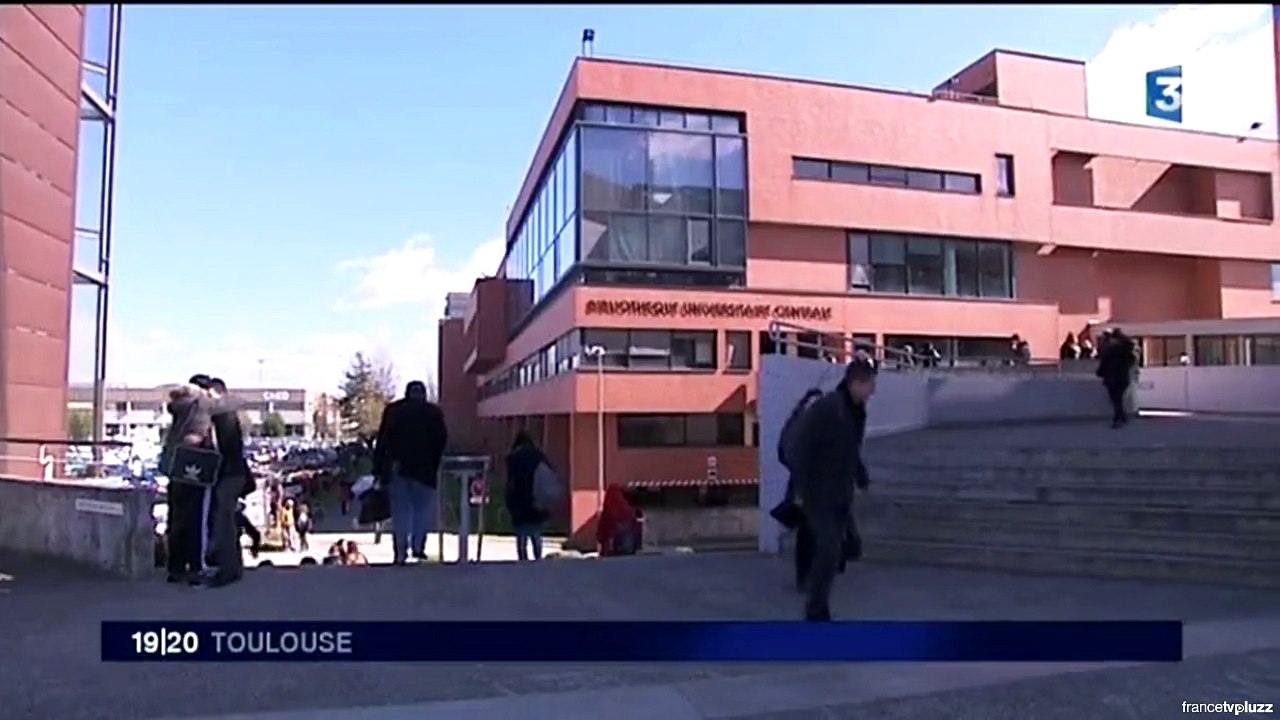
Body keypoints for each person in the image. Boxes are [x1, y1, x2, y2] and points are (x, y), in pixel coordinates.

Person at [788, 357, 877, 621]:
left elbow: (850, 448)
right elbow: (799, 447)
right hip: (819, 492)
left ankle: (818, 605)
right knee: (827, 550)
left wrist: (860, 476)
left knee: (837, 551)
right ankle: (815, 610)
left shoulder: (856, 410)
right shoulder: (829, 407)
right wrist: (801, 489)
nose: (873, 390)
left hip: (840, 492)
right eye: (870, 384)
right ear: (856, 383)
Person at [373, 380, 449, 565]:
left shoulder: (394, 411)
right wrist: (434, 462)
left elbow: (382, 441)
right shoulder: (433, 412)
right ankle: (418, 547)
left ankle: (400, 551)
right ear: (423, 394)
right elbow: (441, 440)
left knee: (401, 512)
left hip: (398, 469)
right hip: (425, 471)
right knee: (422, 511)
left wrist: (378, 469)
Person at [160, 379, 215, 584]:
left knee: (177, 519)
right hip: (196, 467)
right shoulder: (200, 405)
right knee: (197, 519)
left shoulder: (178, 408)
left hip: (176, 468)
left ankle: (175, 568)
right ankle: (196, 567)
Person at [202, 377, 251, 588]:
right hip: (236, 473)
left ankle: (228, 569)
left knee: (224, 522)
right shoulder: (230, 414)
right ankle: (233, 567)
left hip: (229, 474)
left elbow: (222, 449)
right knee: (228, 520)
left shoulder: (221, 415)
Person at [776, 388, 824, 592]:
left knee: (812, 533)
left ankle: (809, 576)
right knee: (809, 534)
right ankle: (807, 577)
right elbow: (785, 451)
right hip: (806, 488)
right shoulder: (799, 426)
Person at [504, 431, 551, 562]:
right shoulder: (538, 457)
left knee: (521, 534)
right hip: (536, 498)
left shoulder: (512, 459)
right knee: (536, 531)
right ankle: (537, 557)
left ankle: (523, 559)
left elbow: (509, 482)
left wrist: (508, 501)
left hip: (519, 500)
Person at [1096, 328, 1138, 429]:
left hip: (1112, 376)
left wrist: (1100, 372)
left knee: (1115, 399)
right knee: (1118, 398)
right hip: (1123, 377)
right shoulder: (1127, 349)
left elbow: (1104, 362)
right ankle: (1121, 417)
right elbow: (1132, 361)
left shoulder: (1110, 349)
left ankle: (1118, 418)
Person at [596, 485, 641, 556]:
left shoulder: (609, 509)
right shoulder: (628, 509)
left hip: (614, 546)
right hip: (629, 545)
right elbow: (635, 525)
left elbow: (603, 526)